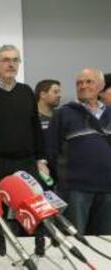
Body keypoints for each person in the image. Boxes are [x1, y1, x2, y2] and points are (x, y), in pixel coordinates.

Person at [47, 68, 111, 235]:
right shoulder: (63, 114)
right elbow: (51, 152)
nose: (83, 86)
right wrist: (63, 179)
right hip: (75, 189)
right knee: (75, 238)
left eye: (89, 81)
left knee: (106, 242)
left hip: (108, 189)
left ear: (100, 86)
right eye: (79, 83)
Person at [0, 45, 49, 186]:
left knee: (28, 207)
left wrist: (41, 160)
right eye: (6, 60)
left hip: (27, 165)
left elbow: (35, 128)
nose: (11, 64)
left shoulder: (26, 91)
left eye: (15, 60)